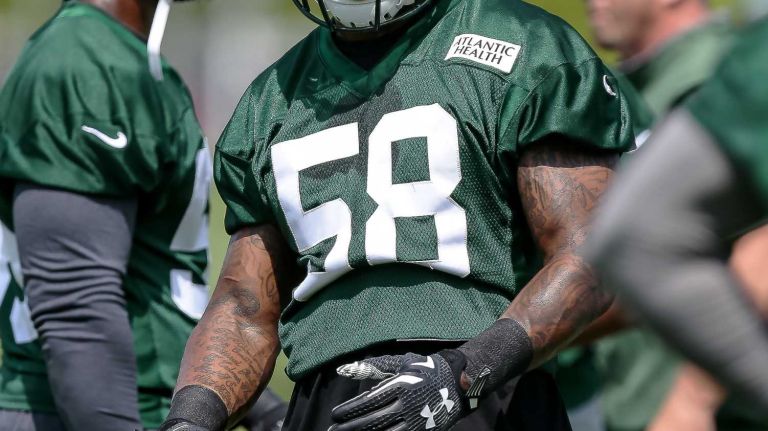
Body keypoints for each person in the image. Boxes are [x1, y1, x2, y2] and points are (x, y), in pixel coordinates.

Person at [159, 0, 636, 430]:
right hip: (328, 402)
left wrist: (465, 372)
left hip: (488, 392)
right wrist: (191, 420)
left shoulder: (523, 44)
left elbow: (592, 255)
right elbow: (245, 308)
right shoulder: (269, 102)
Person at [0, 1, 285, 430]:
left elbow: (152, 288)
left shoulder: (119, 54)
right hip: (84, 413)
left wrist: (264, 410)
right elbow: (76, 311)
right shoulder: (84, 63)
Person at [585, 14, 768, 418]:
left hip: (695, 405)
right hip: (627, 399)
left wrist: (694, 394)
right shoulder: (616, 81)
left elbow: (756, 252)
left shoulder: (718, 67)